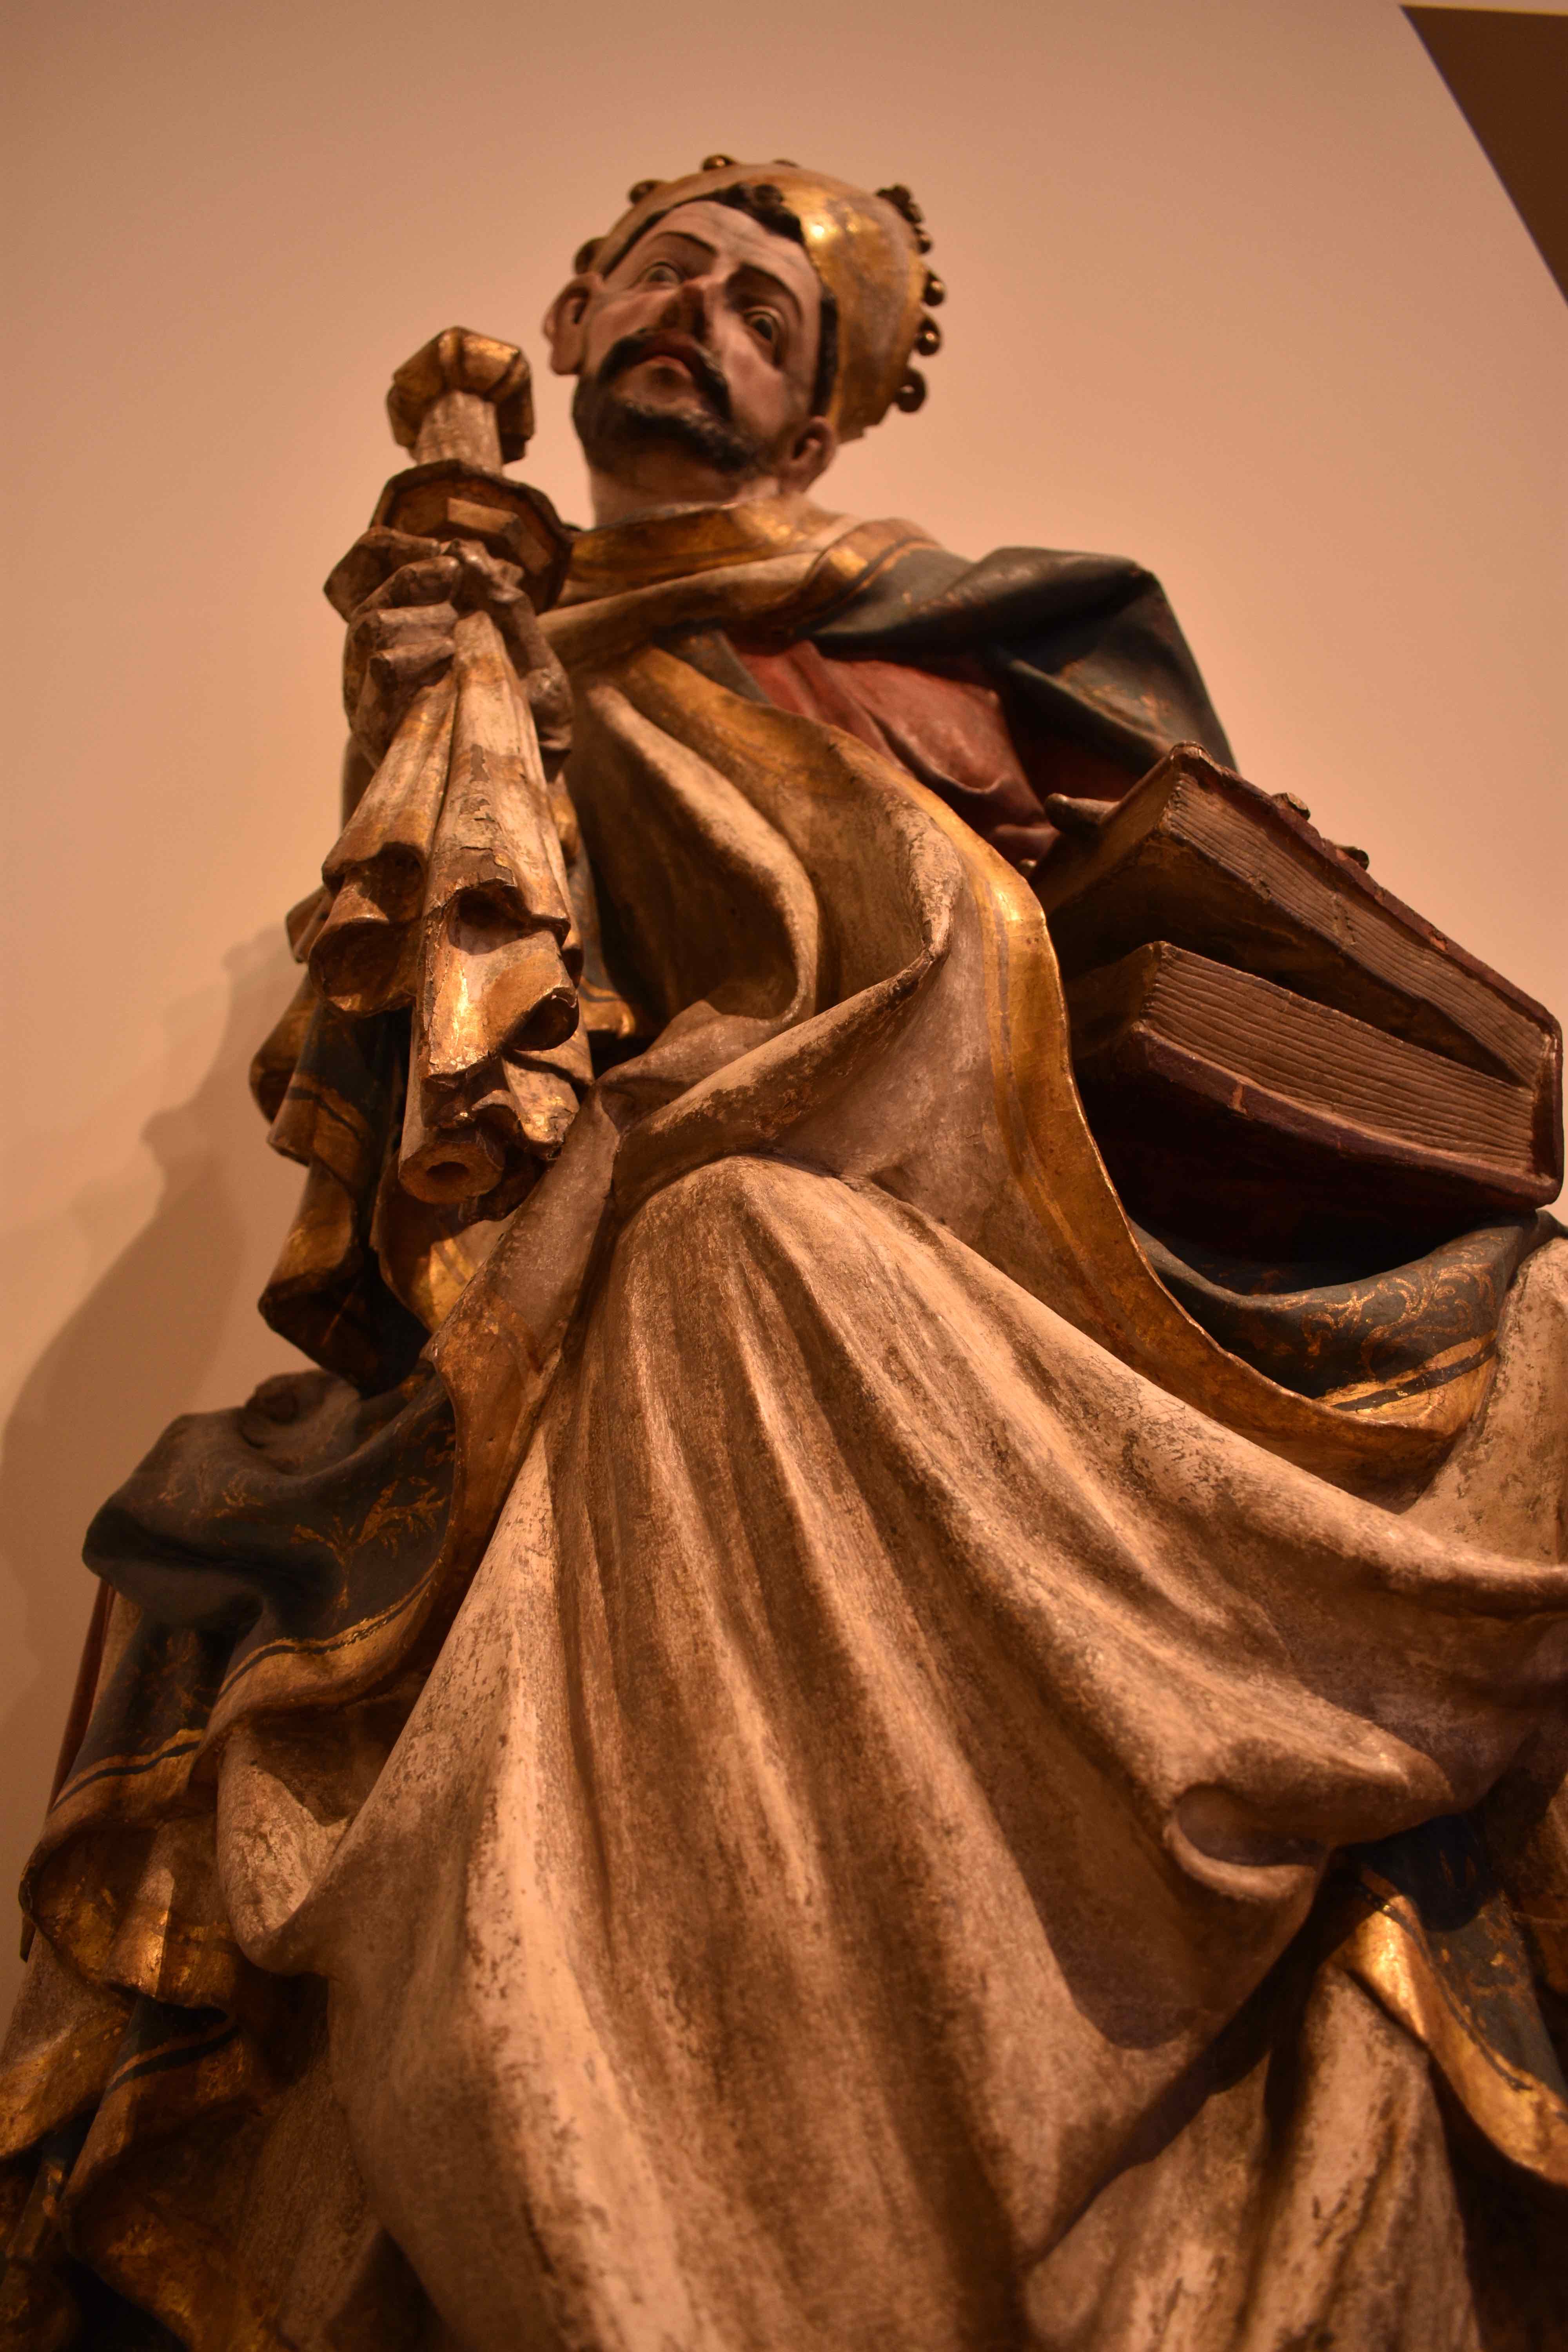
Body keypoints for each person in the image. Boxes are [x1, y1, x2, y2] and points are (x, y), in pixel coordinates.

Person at [3, 158, 1566, 2352]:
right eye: (673, 275)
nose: (704, 320)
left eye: (766, 315)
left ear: (817, 427)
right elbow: (448, 1071)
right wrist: (431, 714)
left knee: (1544, 1325)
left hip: (1098, 1217)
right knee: (735, 1261)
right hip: (733, 1176)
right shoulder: (502, 661)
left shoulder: (965, 633)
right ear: (575, 322)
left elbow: (1192, 893)